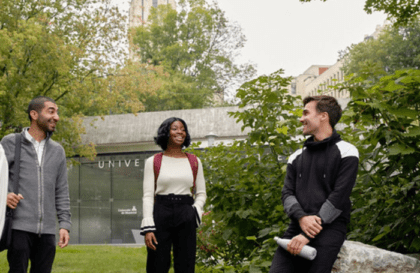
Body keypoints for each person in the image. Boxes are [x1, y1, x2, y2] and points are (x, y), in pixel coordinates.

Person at [269, 95, 359, 273]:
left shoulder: (347, 152)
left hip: (329, 229)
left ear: (323, 116)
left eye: (306, 113)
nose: (301, 119)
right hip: (297, 225)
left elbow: (339, 197)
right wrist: (302, 218)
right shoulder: (296, 157)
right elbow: (287, 193)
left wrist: (306, 235)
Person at [1, 96, 71, 273]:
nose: (56, 117)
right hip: (18, 227)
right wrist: (4, 196)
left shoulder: (58, 151)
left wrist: (64, 224)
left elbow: (61, 190)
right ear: (34, 114)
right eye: (51, 111)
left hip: (47, 231)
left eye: (57, 112)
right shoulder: (10, 143)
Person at [140, 117, 206, 273]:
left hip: (186, 211)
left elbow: (201, 193)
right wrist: (148, 226)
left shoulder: (194, 161)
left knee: (186, 263)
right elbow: (148, 195)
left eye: (183, 129)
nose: (180, 132)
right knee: (157, 263)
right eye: (175, 128)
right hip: (161, 211)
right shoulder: (153, 161)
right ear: (166, 132)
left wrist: (195, 211)